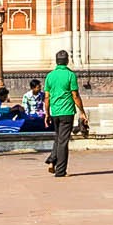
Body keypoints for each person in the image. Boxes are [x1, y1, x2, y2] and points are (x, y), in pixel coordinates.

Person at [44, 50, 82, 178]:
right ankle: (60, 171)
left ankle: (52, 160)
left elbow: (47, 97)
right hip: (67, 112)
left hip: (55, 112)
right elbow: (75, 95)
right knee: (63, 142)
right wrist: (82, 111)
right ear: (67, 61)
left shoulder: (50, 76)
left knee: (59, 137)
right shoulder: (70, 75)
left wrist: (47, 114)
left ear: (56, 61)